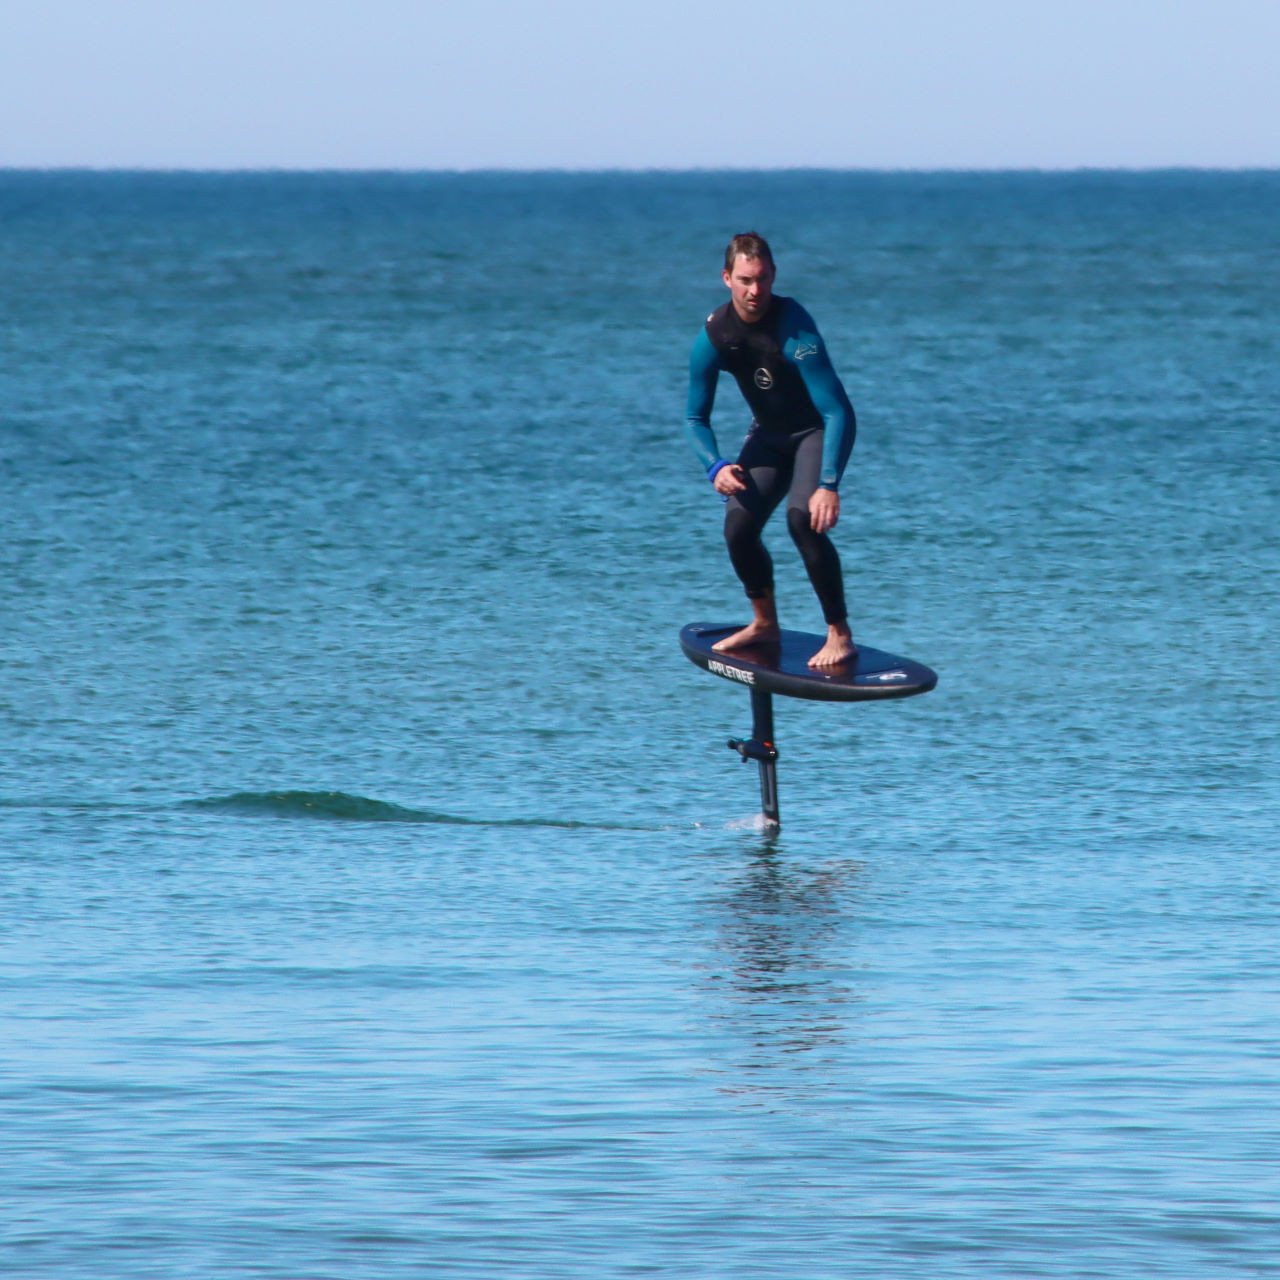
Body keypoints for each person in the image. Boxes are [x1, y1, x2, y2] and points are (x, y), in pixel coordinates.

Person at [685, 232, 857, 667]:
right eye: (745, 280)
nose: (755, 290)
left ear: (774, 275)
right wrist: (715, 467)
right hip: (769, 435)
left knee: (803, 520)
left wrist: (828, 484)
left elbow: (838, 411)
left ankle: (839, 633)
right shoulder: (715, 335)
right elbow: (694, 419)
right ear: (727, 278)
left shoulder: (794, 327)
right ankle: (764, 621)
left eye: (762, 279)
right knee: (738, 526)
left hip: (812, 432)